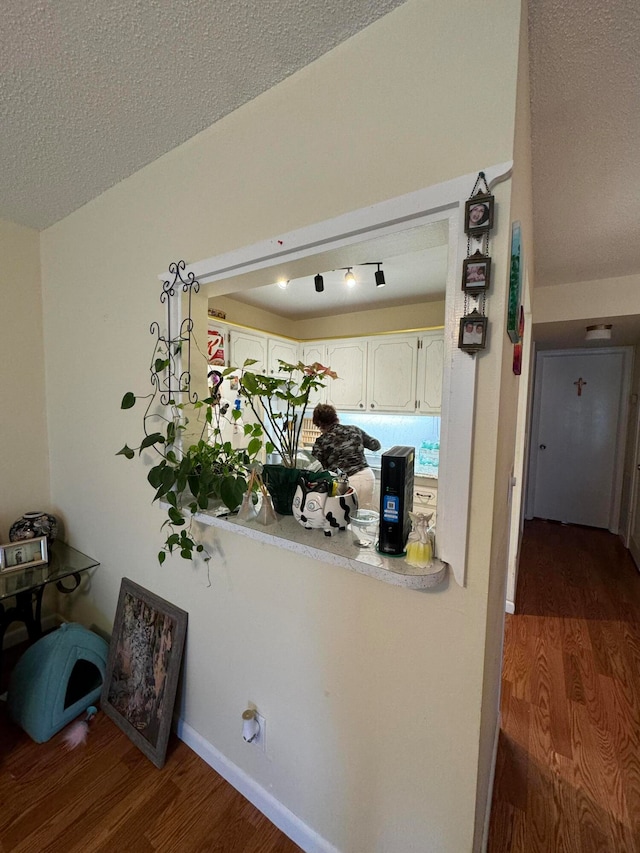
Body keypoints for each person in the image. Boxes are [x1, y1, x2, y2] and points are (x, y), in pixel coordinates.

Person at [311, 404, 381, 508]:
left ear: (320, 424)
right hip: (367, 476)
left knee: (343, 518)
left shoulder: (321, 441)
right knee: (361, 517)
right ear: (335, 418)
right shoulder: (354, 430)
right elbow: (376, 445)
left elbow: (316, 467)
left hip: (344, 481)